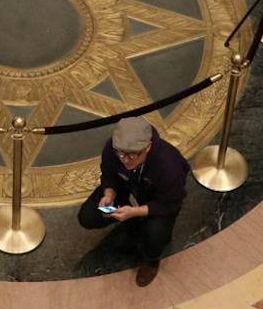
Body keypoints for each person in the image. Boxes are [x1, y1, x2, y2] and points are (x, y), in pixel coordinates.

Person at [78, 117, 189, 290]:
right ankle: (128, 218)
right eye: (121, 154)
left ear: (148, 147)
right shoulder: (113, 149)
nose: (125, 160)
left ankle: (151, 261)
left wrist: (135, 212)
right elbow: (108, 173)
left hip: (157, 201)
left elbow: (170, 204)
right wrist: (108, 194)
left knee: (155, 235)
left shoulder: (169, 166)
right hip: (128, 187)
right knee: (89, 216)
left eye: (132, 155)